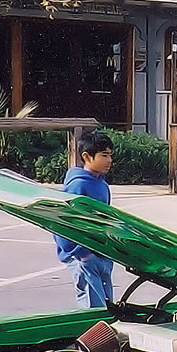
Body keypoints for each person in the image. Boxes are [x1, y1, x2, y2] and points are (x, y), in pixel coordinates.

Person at [54, 130, 115, 308]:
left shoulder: (102, 185)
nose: (109, 161)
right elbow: (63, 222)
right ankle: (92, 336)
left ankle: (104, 335)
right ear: (87, 156)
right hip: (83, 256)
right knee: (91, 306)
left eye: (110, 155)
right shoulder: (78, 185)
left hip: (101, 253)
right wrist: (80, 253)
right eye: (104, 155)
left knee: (107, 306)